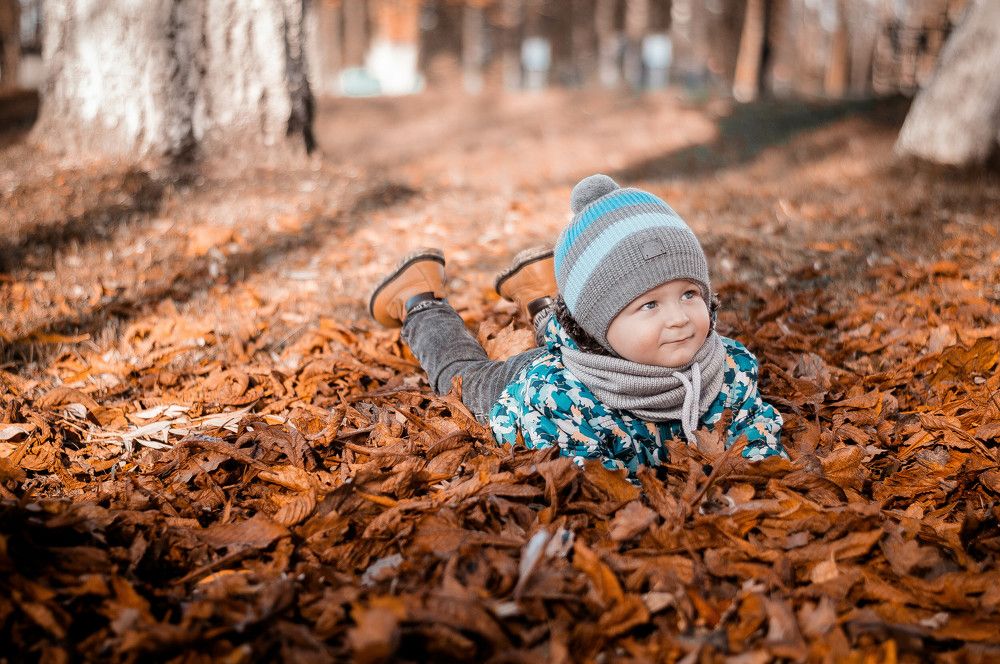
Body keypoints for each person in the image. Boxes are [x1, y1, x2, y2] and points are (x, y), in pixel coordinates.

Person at [369, 174, 785, 475]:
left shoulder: (727, 365)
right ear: (595, 321)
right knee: (462, 378)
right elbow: (584, 482)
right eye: (650, 305)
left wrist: (757, 468)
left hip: (600, 344)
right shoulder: (560, 399)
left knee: (599, 332)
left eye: (689, 294)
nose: (678, 318)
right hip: (554, 376)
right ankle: (420, 297)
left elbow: (753, 424)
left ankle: (541, 294)